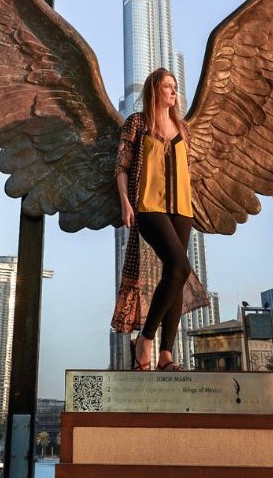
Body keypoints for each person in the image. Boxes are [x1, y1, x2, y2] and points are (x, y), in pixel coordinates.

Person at [112, 67, 207, 370]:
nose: (173, 91)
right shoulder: (138, 122)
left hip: (182, 210)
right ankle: (146, 338)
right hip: (148, 206)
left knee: (175, 277)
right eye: (167, 86)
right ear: (154, 90)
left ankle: (166, 355)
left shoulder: (183, 127)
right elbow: (122, 166)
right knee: (180, 266)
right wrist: (126, 203)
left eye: (175, 86)